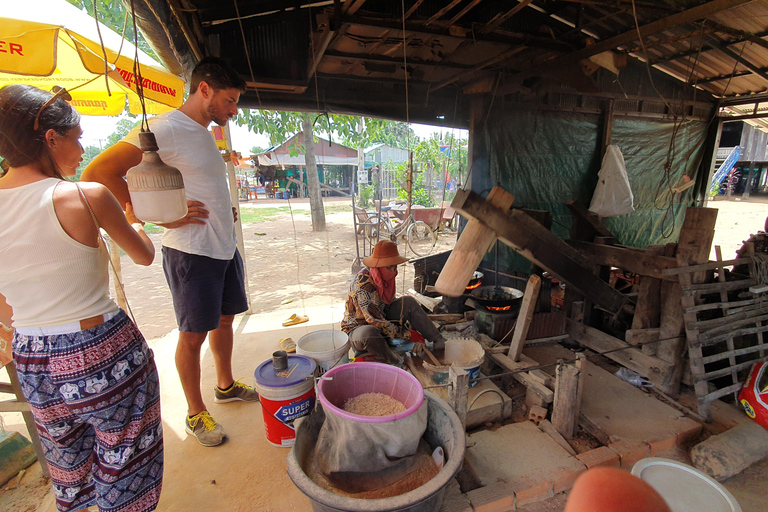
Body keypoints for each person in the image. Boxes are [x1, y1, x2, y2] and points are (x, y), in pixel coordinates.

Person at [0, 84, 162, 512]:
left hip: (31, 355)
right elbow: (143, 256)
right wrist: (135, 220)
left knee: (68, 465)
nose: (82, 146)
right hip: (100, 351)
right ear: (50, 139)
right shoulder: (84, 197)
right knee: (125, 462)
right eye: (77, 135)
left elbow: (4, 303)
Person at [82, 57, 258, 448]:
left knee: (225, 321)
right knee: (193, 335)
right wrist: (153, 216)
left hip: (222, 246)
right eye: (229, 101)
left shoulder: (201, 132)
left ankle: (225, 386)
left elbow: (196, 184)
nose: (233, 110)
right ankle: (196, 412)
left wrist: (221, 209)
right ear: (204, 89)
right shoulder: (165, 127)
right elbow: (99, 174)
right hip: (191, 254)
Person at [342, 240, 447, 366]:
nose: (393, 271)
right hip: (358, 330)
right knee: (368, 333)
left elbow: (387, 308)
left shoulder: (383, 278)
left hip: (381, 317)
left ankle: (438, 340)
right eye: (388, 267)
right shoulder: (363, 285)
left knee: (408, 302)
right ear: (377, 266)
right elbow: (374, 320)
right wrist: (409, 335)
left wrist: (416, 333)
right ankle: (395, 361)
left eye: (394, 266)